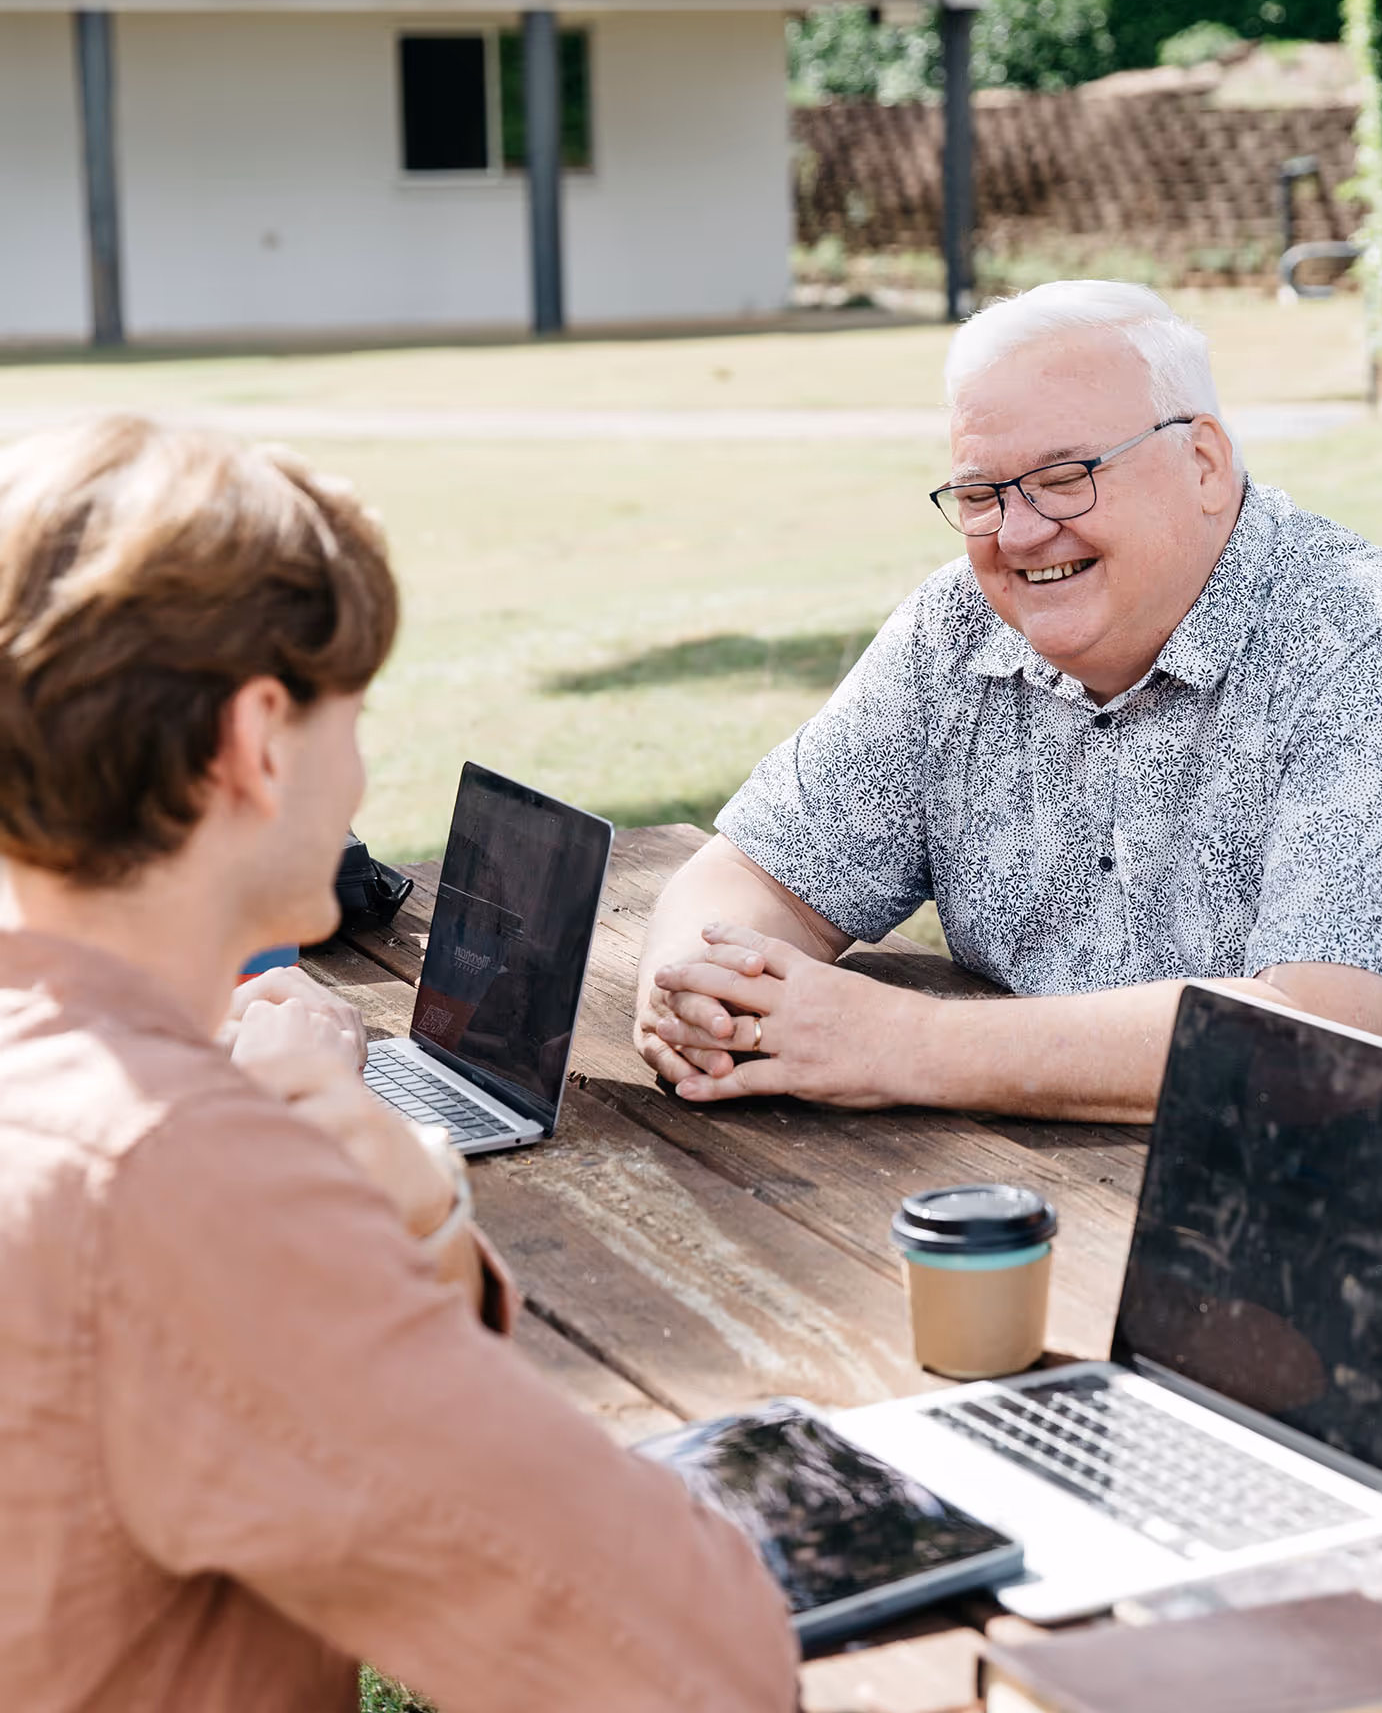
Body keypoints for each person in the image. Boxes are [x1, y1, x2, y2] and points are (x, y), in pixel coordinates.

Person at [0, 417, 794, 1711]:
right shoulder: (177, 1182)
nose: (363, 769)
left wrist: (405, 1202)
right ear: (258, 741)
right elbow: (683, 1652)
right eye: (354, 718)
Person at [635, 282, 1382, 1120]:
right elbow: (751, 877)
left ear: (1206, 465)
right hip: (1087, 1174)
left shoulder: (1371, 644)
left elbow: (1317, 1041)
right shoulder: (955, 629)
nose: (1016, 532)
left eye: (1063, 478)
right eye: (980, 494)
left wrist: (900, 1041)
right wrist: (695, 988)